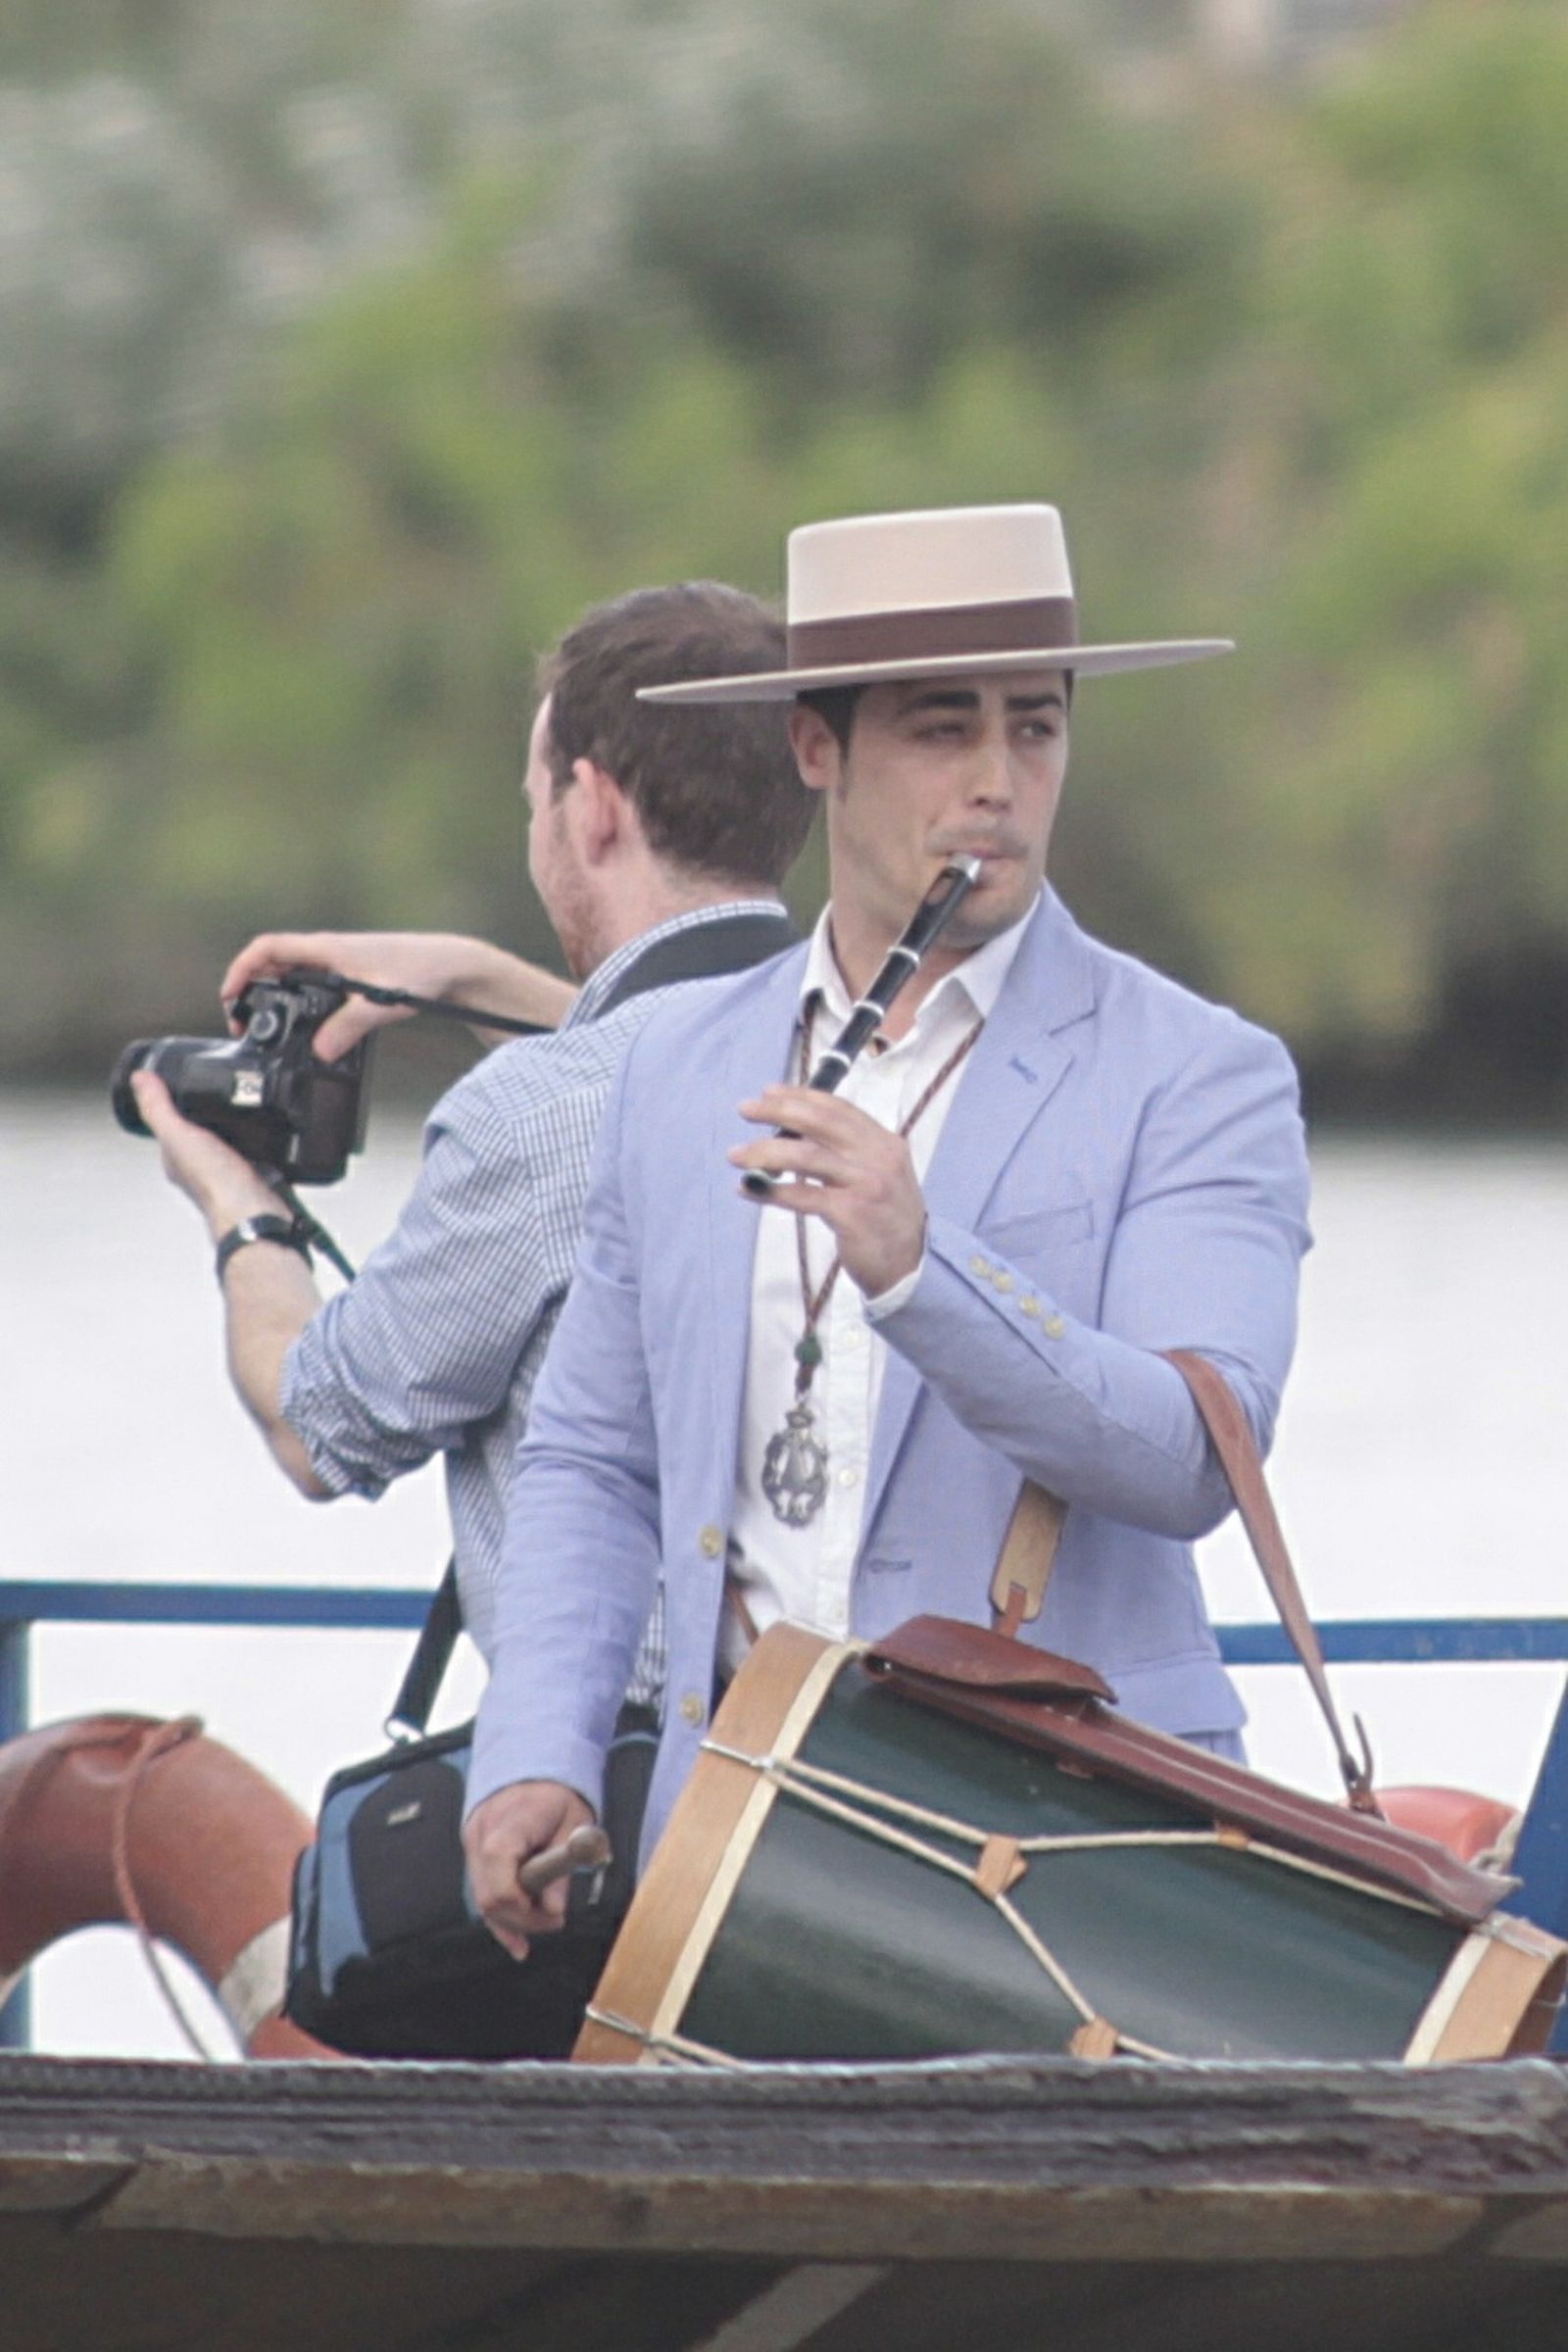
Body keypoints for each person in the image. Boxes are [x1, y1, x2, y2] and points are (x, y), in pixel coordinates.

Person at [463, 503, 1312, 1958]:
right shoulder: (675, 1066)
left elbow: (1189, 1458)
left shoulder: (1199, 1070)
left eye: (1034, 729)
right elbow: (595, 1458)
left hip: (1081, 1879)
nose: (998, 783)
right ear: (817, 747)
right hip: (729, 1860)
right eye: (941, 730)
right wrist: (534, 1753)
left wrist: (927, 1271)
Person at [130, 582, 816, 1668]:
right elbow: (677, 1065)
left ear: (591, 806)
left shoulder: (539, 1114)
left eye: (532, 799)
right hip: (835, 1769)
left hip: (613, 1791)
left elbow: (314, 1427)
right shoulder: (874, 1054)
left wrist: (241, 1210)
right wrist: (479, 980)